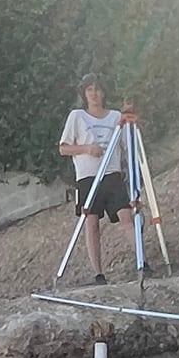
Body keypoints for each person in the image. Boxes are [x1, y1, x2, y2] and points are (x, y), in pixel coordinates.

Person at [59, 75, 132, 286]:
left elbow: (126, 145)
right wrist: (86, 149)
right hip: (87, 177)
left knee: (126, 216)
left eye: (97, 89)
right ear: (84, 93)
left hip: (112, 174)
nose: (94, 93)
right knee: (91, 223)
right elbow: (63, 148)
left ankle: (142, 262)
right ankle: (98, 274)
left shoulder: (115, 116)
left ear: (104, 92)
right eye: (89, 89)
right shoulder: (77, 116)